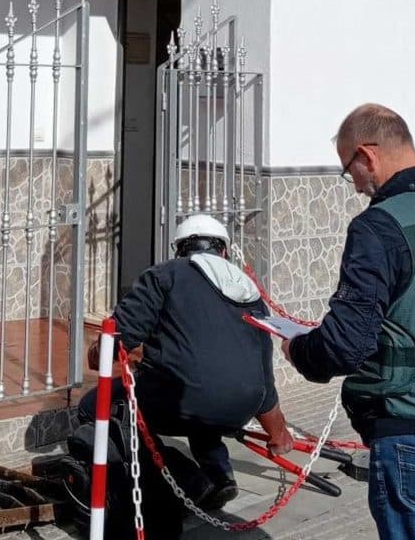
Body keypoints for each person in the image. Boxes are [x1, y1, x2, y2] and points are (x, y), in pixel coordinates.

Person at [282, 103, 415, 539]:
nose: (354, 186)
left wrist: (298, 349)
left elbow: (344, 346)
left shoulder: (379, 227)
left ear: (367, 156)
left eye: (347, 170)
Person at [81, 214, 293, 510]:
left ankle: (188, 479)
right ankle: (220, 476)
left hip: (183, 398)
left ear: (181, 249)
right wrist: (277, 431)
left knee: (92, 407)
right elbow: (262, 369)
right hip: (243, 405)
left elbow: (118, 338)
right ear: (223, 251)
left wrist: (96, 354)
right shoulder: (249, 290)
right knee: (197, 393)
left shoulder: (165, 275)